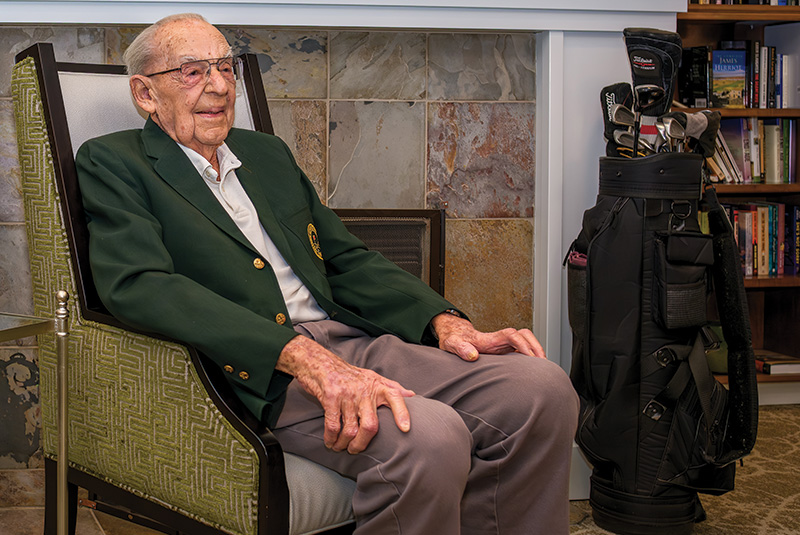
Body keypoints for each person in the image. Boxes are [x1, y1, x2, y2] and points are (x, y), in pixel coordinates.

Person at [76, 13, 579, 534]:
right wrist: (298, 354)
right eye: (192, 71)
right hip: (258, 370)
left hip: (351, 341)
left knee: (542, 390)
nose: (221, 86)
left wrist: (444, 321)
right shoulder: (115, 162)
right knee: (428, 435)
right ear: (145, 93)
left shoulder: (264, 154)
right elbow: (138, 285)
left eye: (225, 67)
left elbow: (344, 258)